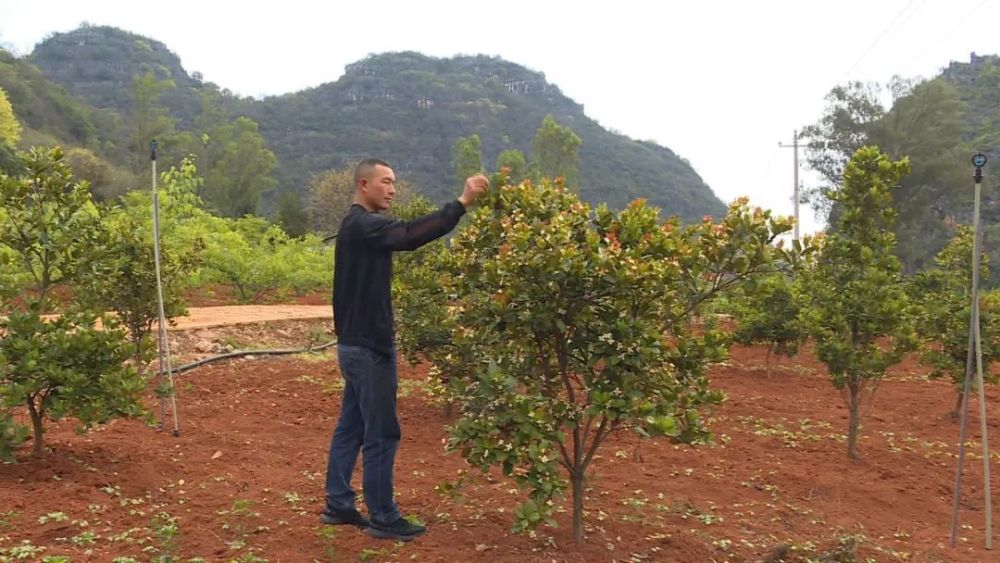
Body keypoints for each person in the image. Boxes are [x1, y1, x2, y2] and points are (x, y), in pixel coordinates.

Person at [321, 158, 488, 541]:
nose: (393, 189)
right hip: (369, 350)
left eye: (395, 182)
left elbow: (405, 234)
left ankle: (339, 503)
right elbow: (412, 234)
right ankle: (383, 516)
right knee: (382, 433)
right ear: (364, 184)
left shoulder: (356, 226)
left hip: (354, 346)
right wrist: (460, 204)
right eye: (386, 182)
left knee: (352, 426)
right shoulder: (364, 225)